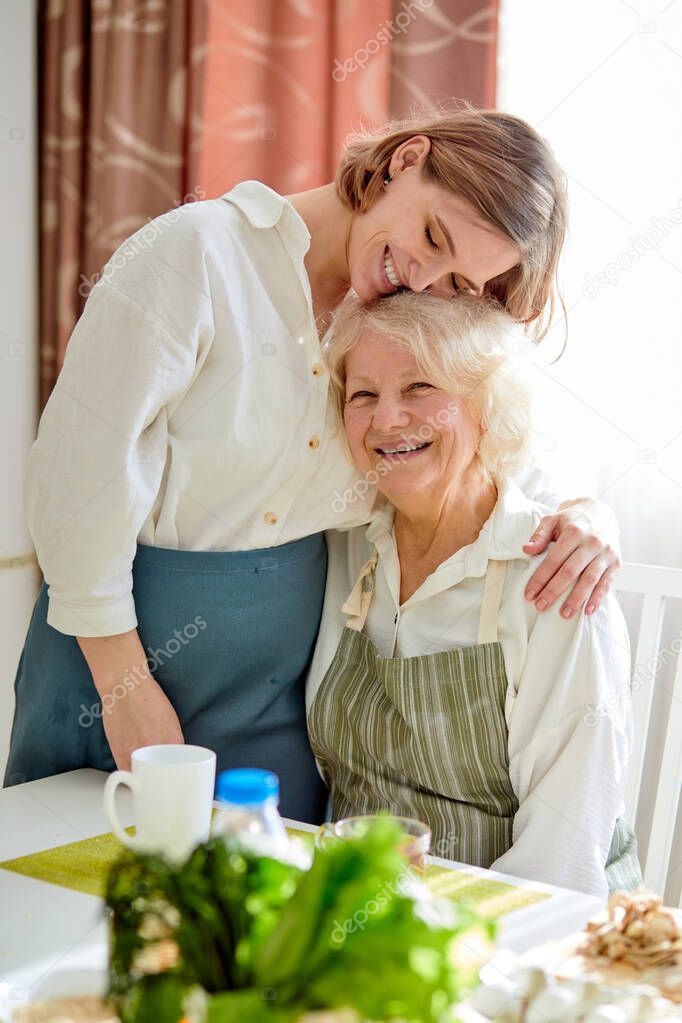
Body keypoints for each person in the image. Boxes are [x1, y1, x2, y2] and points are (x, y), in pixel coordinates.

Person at [4, 109, 619, 824]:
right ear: (405, 158)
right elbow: (77, 476)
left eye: (457, 282)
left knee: (262, 918)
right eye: (432, 236)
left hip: (277, 699)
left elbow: (487, 438)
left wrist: (585, 510)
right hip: (112, 661)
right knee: (77, 903)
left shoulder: (394, 332)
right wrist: (125, 690)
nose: (423, 275)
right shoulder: (199, 256)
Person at [307, 289, 641, 895]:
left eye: (419, 388)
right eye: (364, 395)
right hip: (370, 917)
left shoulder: (556, 578)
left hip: (520, 938)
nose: (386, 419)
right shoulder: (346, 544)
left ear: (489, 404)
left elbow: (563, 857)